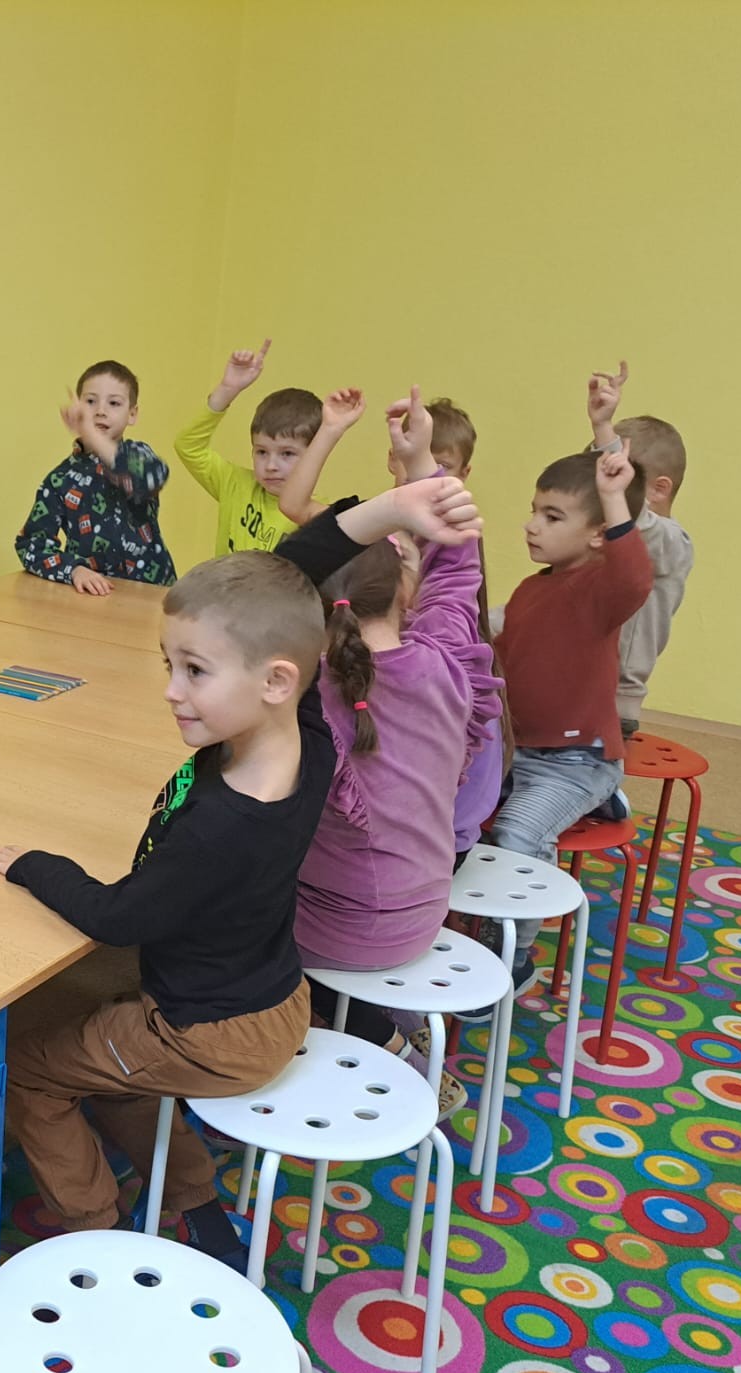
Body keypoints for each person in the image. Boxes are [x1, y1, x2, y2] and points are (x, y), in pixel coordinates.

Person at [0, 473, 484, 1263]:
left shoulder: (220, 828)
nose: (171, 691)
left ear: (276, 679)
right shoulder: (310, 734)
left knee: (30, 1070)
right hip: (275, 999)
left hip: (210, 1032)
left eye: (195, 671)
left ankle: (94, 1237)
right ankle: (194, 1200)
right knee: (111, 1052)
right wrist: (389, 508)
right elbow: (290, 573)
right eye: (169, 664)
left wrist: (33, 863)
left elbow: (117, 917)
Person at [294, 393, 501, 1117]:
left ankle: (387, 1045)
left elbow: (275, 571)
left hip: (342, 930)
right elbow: (460, 571)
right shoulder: (447, 660)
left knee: (233, 921)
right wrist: (421, 471)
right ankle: (400, 1023)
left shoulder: (308, 694)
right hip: (428, 906)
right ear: (402, 585)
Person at [489, 444, 653, 988]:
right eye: (534, 511)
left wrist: (613, 498)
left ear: (597, 533)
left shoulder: (599, 589)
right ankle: (603, 802)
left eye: (552, 516)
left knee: (516, 834)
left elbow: (635, 579)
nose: (531, 525)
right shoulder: (530, 589)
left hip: (575, 762)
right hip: (519, 752)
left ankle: (515, 957)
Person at [584, 360, 694, 740]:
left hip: (611, 699)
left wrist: (604, 431)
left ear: (659, 489)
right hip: (576, 676)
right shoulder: (614, 535)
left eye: (620, 478)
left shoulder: (670, 542)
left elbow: (636, 518)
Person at [14, 360, 175, 591]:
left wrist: (89, 432)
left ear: (132, 414)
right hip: (93, 597)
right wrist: (74, 570)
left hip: (152, 592)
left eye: (114, 403)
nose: (101, 411)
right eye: (90, 401)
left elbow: (151, 477)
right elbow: (31, 544)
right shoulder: (61, 478)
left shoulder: (139, 456)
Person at [174, 338, 325, 553]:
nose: (271, 465)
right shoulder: (234, 484)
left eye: (287, 453)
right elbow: (188, 445)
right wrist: (227, 390)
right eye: (262, 452)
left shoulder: (316, 516)